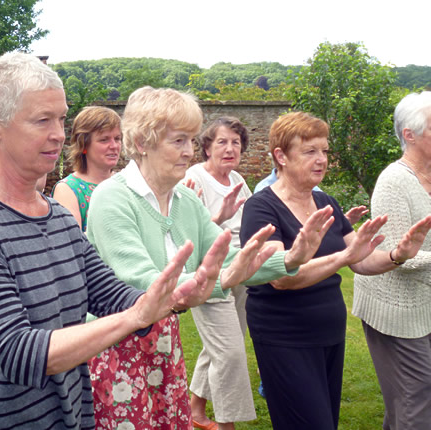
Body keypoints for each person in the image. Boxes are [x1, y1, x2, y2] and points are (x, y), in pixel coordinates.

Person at [0, 52, 237, 429]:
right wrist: (137, 315)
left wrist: (173, 298)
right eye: (42, 120)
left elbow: (112, 295)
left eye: (61, 118)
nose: (59, 134)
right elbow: (18, 353)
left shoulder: (58, 218)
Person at [86, 88, 335, 429]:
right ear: (143, 142)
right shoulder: (111, 199)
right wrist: (223, 279)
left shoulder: (185, 200)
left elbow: (229, 257)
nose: (190, 152)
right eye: (179, 141)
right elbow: (141, 281)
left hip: (162, 340)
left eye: (191, 140)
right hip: (114, 346)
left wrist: (290, 258)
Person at [239, 111, 431, 430]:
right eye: (310, 151)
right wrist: (343, 257)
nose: (321, 159)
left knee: (325, 420)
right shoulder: (261, 208)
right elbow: (282, 278)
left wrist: (398, 254)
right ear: (280, 156)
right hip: (285, 337)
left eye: (324, 151)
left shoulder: (324, 201)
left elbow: (362, 260)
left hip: (329, 333)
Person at [353, 91, 431, 430]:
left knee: (409, 397)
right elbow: (399, 257)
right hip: (394, 309)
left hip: (424, 305)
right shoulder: (394, 181)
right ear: (409, 135)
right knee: (417, 393)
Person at [184, 117, 255, 430]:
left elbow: (251, 220)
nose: (230, 149)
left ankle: (195, 410)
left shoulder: (238, 179)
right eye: (222, 142)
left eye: (236, 142)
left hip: (242, 272)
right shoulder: (193, 179)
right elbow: (185, 235)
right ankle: (228, 425)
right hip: (209, 276)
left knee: (224, 343)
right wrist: (218, 217)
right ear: (207, 148)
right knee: (230, 354)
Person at [52, 106, 122, 231]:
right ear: (83, 145)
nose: (114, 146)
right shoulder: (68, 190)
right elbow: (73, 244)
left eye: (117, 139)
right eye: (104, 140)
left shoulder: (125, 183)